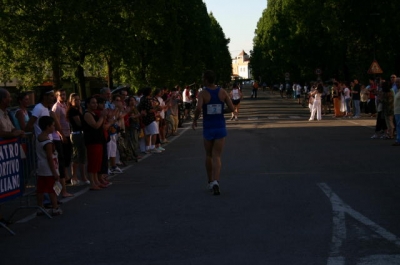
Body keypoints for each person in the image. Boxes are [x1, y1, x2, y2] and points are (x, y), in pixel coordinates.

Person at [192, 70, 236, 195]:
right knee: (217, 156)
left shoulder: (203, 93)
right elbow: (232, 108)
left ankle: (210, 181)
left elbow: (199, 108)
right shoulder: (222, 92)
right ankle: (216, 181)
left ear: (206, 79)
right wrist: (221, 111)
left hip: (208, 127)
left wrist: (195, 120)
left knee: (208, 155)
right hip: (220, 126)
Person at [35, 116, 62, 216]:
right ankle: (55, 207)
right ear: (47, 127)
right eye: (53, 126)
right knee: (52, 189)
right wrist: (54, 172)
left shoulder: (39, 138)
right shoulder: (48, 143)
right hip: (48, 168)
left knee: (41, 188)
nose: (54, 128)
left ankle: (39, 207)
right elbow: (50, 158)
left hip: (41, 167)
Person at [82, 96, 107, 190]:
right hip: (92, 141)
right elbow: (95, 125)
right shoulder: (87, 114)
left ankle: (96, 180)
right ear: (88, 104)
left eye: (96, 102)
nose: (95, 104)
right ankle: (92, 182)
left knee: (97, 162)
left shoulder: (94, 113)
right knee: (93, 162)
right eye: (92, 103)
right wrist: (102, 116)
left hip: (99, 140)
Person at [52, 89, 73, 198]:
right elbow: (56, 123)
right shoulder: (56, 107)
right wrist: (61, 136)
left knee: (67, 158)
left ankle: (66, 178)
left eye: (64, 94)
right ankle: (62, 186)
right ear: (57, 96)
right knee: (62, 160)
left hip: (67, 134)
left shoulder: (64, 106)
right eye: (61, 95)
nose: (63, 96)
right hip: (60, 136)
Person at [66, 93, 89, 185]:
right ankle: (74, 176)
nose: (77, 101)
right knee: (77, 155)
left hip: (82, 133)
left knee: (83, 156)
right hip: (76, 134)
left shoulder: (80, 109)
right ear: (71, 102)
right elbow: (79, 123)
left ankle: (83, 176)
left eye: (78, 99)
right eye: (75, 100)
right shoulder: (72, 111)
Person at [393, 78, 400, 146]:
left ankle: (398, 140)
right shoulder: (398, 91)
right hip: (396, 112)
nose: (397, 84)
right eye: (396, 83)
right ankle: (398, 139)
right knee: (398, 126)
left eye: (398, 82)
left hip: (399, 112)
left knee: (399, 126)